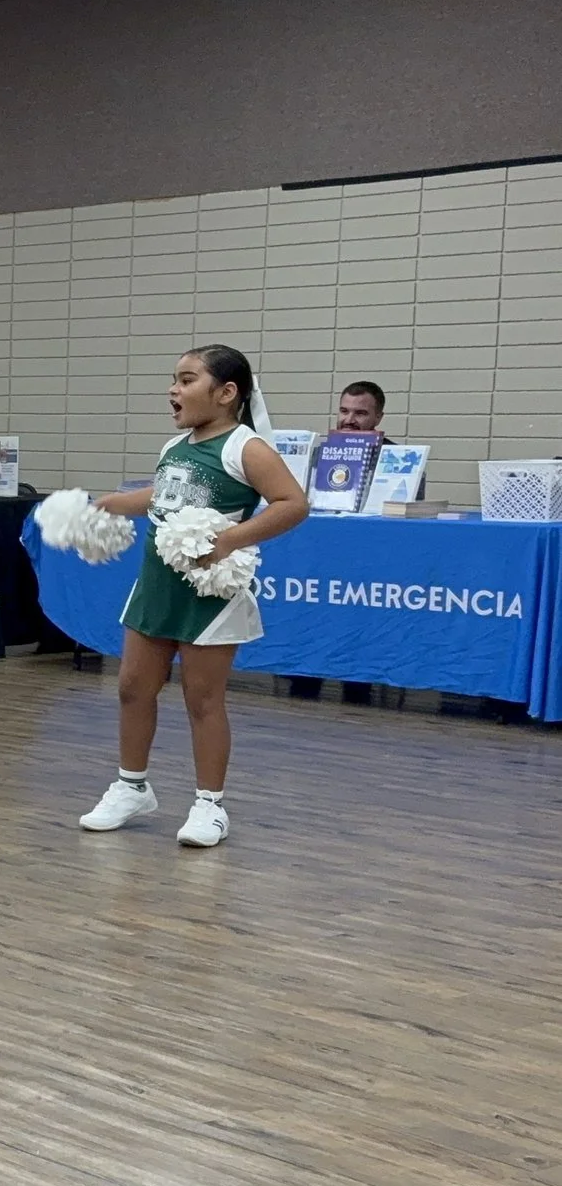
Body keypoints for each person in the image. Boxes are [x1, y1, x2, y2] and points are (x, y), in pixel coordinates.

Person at [77, 345, 310, 848]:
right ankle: (131, 786)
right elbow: (165, 496)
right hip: (156, 585)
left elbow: (293, 504)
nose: (173, 390)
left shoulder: (246, 448)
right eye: (174, 380)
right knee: (133, 687)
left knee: (202, 699)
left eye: (186, 380)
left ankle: (210, 805)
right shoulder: (174, 447)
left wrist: (229, 540)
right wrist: (118, 503)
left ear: (226, 393)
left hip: (210, 593)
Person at [288, 381, 395, 702]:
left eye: (360, 413)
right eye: (344, 411)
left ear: (378, 417)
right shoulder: (322, 453)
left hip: (371, 563)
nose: (349, 419)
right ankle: (303, 684)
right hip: (322, 559)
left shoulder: (398, 457)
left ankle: (358, 690)